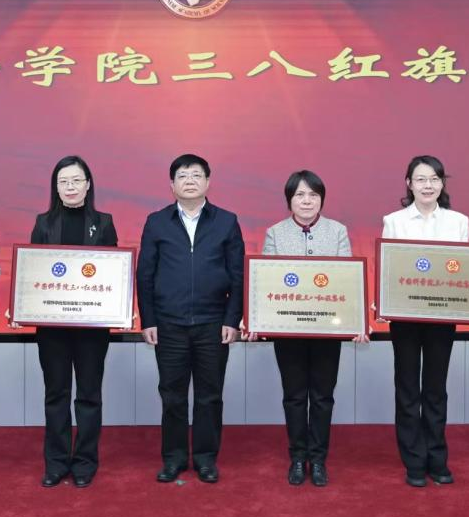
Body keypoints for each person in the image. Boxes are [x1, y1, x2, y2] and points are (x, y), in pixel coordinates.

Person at [382, 155, 469, 489]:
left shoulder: (458, 221)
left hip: (443, 315)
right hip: (404, 317)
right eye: (420, 179)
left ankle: (437, 457)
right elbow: (389, 269)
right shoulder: (394, 221)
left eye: (434, 179)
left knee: (435, 388)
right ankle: (413, 460)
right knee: (407, 388)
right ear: (409, 184)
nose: (427, 185)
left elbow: (466, 270)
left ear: (442, 183)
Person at [136, 153, 244, 484]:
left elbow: (238, 275)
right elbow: (145, 274)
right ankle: (174, 458)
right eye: (182, 176)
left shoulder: (226, 221)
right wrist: (148, 320)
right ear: (172, 185)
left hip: (213, 323)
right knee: (172, 395)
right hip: (168, 324)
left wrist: (232, 319)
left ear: (208, 182)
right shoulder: (157, 222)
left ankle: (206, 459)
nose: (190, 181)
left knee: (210, 395)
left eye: (196, 175)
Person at [254, 170, 365, 488]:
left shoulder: (337, 231)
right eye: (299, 195)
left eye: (313, 195)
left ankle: (317, 459)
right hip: (288, 330)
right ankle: (296, 457)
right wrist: (258, 319)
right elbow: (266, 280)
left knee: (322, 397)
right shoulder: (275, 233)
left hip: (327, 330)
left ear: (321, 199)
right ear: (289, 200)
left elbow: (347, 281)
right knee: (293, 396)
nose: (306, 201)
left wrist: (356, 321)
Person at [29, 155, 119, 489]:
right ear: (55, 187)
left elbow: (112, 273)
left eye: (76, 180)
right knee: (56, 394)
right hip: (52, 328)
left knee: (89, 395)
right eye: (63, 181)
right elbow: (33, 273)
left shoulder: (104, 223)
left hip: (92, 329)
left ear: (88, 184)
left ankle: (84, 462)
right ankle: (55, 463)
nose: (70, 187)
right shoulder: (43, 223)